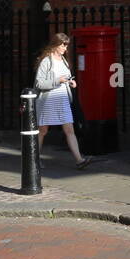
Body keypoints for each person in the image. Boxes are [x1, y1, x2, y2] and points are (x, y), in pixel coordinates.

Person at [33, 32, 92, 170]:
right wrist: (57, 80)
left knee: (69, 130)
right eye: (63, 45)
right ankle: (34, 161)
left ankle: (79, 160)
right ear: (56, 45)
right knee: (42, 131)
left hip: (63, 99)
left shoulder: (64, 60)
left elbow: (67, 77)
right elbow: (39, 83)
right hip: (48, 100)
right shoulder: (46, 61)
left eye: (66, 46)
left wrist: (71, 82)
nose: (65, 48)